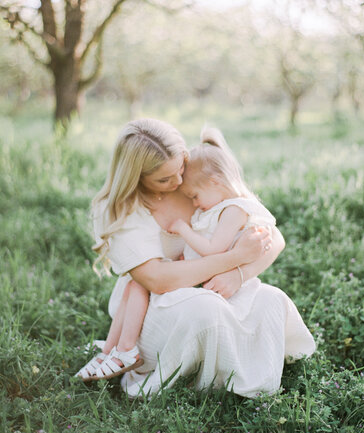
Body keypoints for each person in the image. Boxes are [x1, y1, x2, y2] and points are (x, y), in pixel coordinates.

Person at [76, 118, 315, 398]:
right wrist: (235, 258)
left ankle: (240, 372)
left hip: (211, 284)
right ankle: (175, 371)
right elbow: (158, 280)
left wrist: (239, 274)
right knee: (205, 308)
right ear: (136, 177)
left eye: (179, 170)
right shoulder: (118, 209)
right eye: (164, 179)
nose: (178, 182)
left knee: (270, 298)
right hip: (150, 305)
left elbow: (272, 237)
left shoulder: (194, 176)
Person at [169, 127, 277, 266]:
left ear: (215, 182)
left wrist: (183, 229)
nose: (194, 204)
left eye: (195, 196)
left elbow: (213, 250)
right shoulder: (219, 209)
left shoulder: (235, 210)